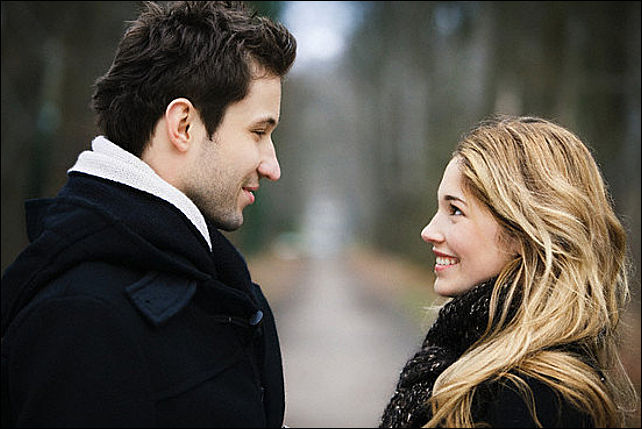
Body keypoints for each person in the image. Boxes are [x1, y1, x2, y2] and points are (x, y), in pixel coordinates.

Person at [1, 1, 296, 427]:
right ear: (183, 125)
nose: (272, 166)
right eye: (258, 132)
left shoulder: (205, 277)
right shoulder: (81, 319)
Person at [379, 115, 638, 427]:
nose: (428, 231)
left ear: (522, 232)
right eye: (439, 208)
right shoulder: (467, 352)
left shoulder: (537, 399)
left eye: (455, 210)